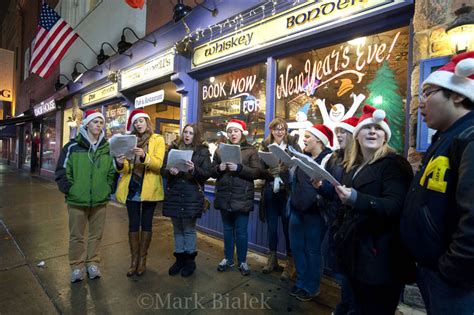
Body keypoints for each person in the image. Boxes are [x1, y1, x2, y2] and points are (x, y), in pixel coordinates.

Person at [401, 51, 474, 314]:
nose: (420, 104)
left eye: (428, 93)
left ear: (457, 94)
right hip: (433, 272)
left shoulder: (469, 137)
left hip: (454, 282)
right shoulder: (446, 138)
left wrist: (451, 270)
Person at [334, 105, 414, 315]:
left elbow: (396, 206)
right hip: (355, 255)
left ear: (385, 137)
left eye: (378, 129)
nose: (372, 131)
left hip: (380, 260)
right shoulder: (355, 165)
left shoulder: (394, 164)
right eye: (367, 128)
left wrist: (356, 198)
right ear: (357, 136)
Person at [55, 109, 116, 283]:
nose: (98, 125)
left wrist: (108, 188)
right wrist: (70, 189)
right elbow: (62, 170)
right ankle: (76, 266)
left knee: (96, 235)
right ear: (87, 124)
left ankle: (93, 263)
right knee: (77, 236)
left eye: (101, 122)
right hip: (77, 200)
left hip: (100, 200)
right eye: (95, 122)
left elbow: (112, 171)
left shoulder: (107, 148)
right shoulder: (72, 146)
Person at [115, 109, 165, 277]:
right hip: (132, 189)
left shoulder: (157, 139)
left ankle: (143, 260)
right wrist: (120, 163)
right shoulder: (129, 140)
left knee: (147, 224)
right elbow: (126, 168)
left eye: (141, 121)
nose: (138, 124)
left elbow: (158, 165)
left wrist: (145, 156)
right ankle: (134, 261)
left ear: (147, 122)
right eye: (135, 122)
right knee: (133, 224)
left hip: (149, 189)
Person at [288, 124, 333, 302]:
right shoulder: (302, 158)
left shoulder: (330, 160)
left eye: (307, 136)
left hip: (315, 213)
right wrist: (284, 170)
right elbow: (292, 182)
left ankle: (312, 286)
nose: (304, 139)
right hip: (296, 211)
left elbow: (332, 190)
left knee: (313, 251)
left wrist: (322, 186)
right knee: (297, 248)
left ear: (319, 140)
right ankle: (300, 282)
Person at [211, 119, 260, 276]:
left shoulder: (251, 150)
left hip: (242, 196)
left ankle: (243, 261)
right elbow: (211, 171)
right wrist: (219, 168)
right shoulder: (219, 150)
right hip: (225, 195)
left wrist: (239, 168)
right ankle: (228, 259)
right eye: (230, 131)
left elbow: (256, 172)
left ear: (242, 133)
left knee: (241, 231)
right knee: (227, 230)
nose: (233, 134)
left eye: (236, 131)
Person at [161, 124, 212, 277]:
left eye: (191, 133)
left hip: (191, 195)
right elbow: (163, 170)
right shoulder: (172, 149)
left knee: (189, 229)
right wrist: (170, 172)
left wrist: (193, 169)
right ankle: (179, 259)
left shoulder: (202, 151)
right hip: (174, 193)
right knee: (177, 229)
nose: (187, 135)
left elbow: (207, 173)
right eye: (185, 132)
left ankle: (190, 261)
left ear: (195, 135)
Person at [320, 117, 358, 314]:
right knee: (339, 269)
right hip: (335, 219)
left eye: (343, 132)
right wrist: (320, 186)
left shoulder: (359, 160)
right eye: (337, 132)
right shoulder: (336, 158)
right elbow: (331, 191)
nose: (339, 136)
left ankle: (348, 307)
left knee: (348, 273)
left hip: (350, 223)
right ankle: (345, 305)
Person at [259, 118, 300, 279]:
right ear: (271, 130)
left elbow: (299, 166)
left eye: (282, 129)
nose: (279, 131)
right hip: (270, 190)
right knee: (272, 227)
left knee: (287, 227)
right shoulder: (265, 145)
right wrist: (271, 172)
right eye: (276, 129)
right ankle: (272, 259)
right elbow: (260, 170)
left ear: (286, 130)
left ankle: (290, 262)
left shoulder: (293, 145)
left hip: (287, 192)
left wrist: (284, 171)